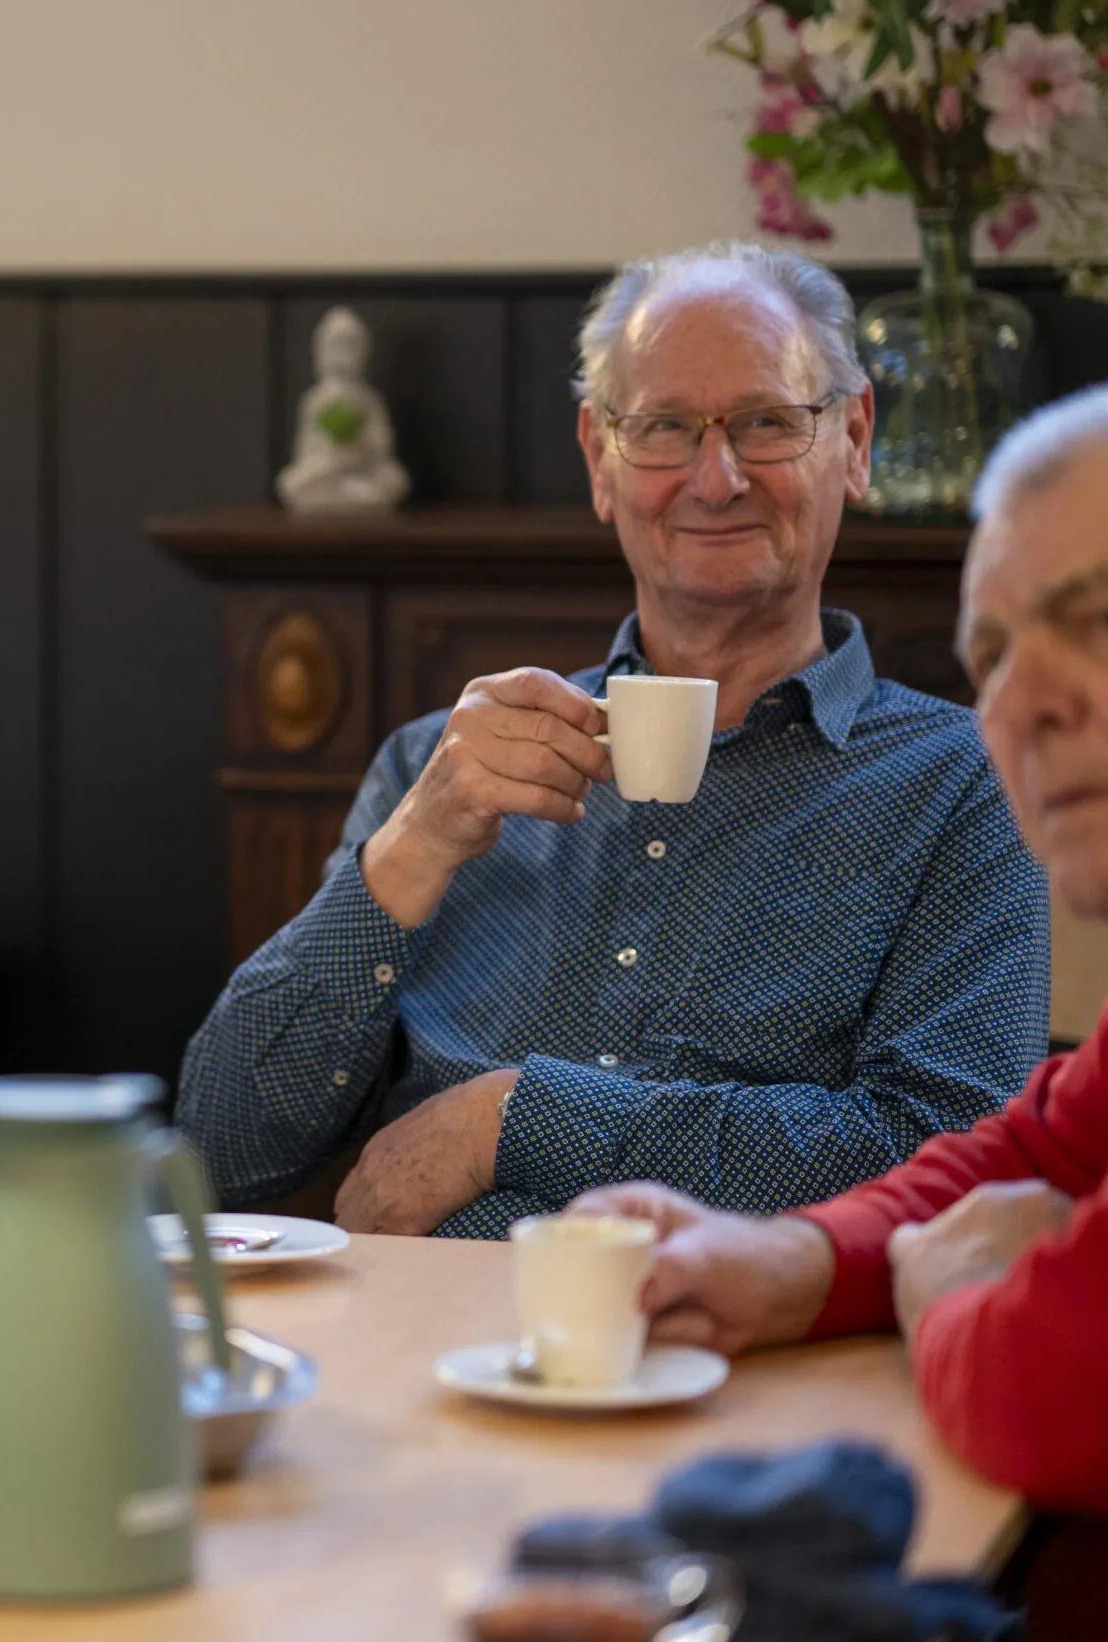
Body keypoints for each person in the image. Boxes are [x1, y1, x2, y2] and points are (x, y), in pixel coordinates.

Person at [178, 240, 1048, 1239]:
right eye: (664, 429)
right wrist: (404, 854)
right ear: (600, 459)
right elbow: (218, 1155)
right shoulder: (436, 769)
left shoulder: (962, 783)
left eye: (765, 423)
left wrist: (508, 1119)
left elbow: (944, 1158)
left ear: (852, 440)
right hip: (417, 1349)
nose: (714, 479)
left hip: (733, 1365)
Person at [574, 383, 1108, 1523]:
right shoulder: (454, 757)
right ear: (600, 458)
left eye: (1095, 619)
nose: (1020, 701)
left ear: (852, 440)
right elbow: (1025, 1149)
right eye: (994, 652)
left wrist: (948, 1287)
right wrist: (797, 1262)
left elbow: (1053, 1385)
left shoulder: (938, 776)